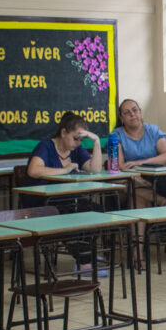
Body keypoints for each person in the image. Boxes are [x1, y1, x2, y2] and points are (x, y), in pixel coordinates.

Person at [21, 112, 107, 276]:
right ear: (63, 132)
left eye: (81, 139)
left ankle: (85, 256)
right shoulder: (46, 146)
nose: (78, 142)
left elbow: (94, 169)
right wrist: (64, 170)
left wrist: (96, 141)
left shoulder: (75, 149)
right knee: (69, 215)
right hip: (41, 203)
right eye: (76, 138)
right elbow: (33, 170)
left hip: (65, 199)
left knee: (96, 211)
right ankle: (85, 262)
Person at [113, 98, 166, 208]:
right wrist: (136, 179)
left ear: (140, 112)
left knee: (137, 198)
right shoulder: (116, 135)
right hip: (130, 178)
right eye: (127, 113)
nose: (132, 114)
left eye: (135, 110)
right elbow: (120, 165)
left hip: (152, 177)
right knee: (127, 184)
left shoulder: (153, 131)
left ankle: (157, 201)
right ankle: (162, 201)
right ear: (121, 118)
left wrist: (141, 162)